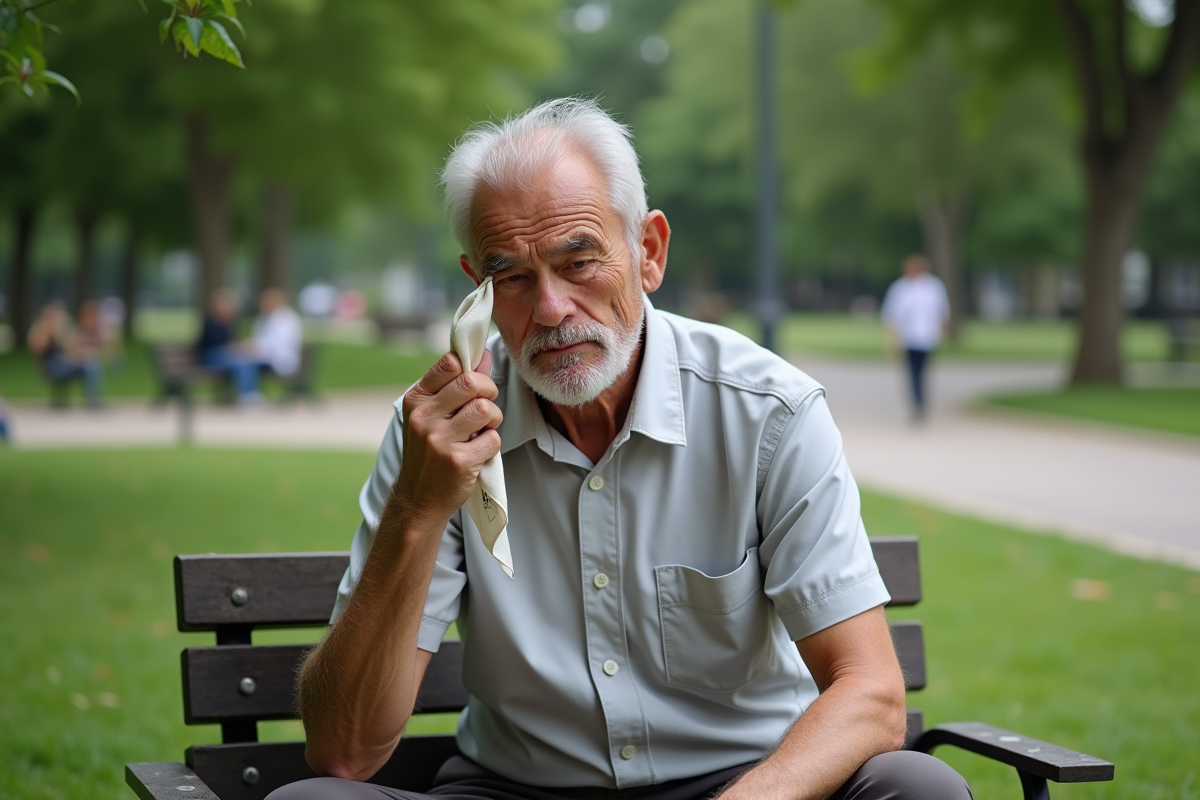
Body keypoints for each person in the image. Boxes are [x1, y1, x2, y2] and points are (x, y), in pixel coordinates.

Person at [275, 99, 970, 800]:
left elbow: (871, 693)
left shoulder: (769, 413)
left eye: (578, 261)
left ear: (649, 251)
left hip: (743, 783)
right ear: (476, 290)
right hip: (517, 789)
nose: (549, 309)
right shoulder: (438, 434)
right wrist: (417, 509)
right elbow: (344, 751)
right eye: (512, 276)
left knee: (919, 788)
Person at [880, 255, 950, 421]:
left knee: (923, 371)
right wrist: (891, 340)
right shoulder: (900, 288)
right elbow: (891, 316)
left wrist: (944, 332)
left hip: (928, 337)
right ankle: (917, 404)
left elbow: (942, 311)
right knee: (912, 373)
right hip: (908, 337)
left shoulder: (933, 286)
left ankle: (922, 402)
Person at [27, 300, 104, 408]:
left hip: (64, 364)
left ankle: (93, 401)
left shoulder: (61, 332)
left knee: (91, 365)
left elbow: (71, 349)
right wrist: (48, 329)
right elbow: (35, 347)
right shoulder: (41, 329)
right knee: (88, 366)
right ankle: (92, 402)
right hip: (51, 367)